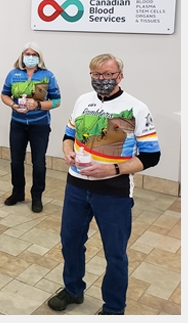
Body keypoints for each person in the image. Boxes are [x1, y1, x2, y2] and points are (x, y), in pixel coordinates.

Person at [47, 53, 161, 315]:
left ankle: (113, 308)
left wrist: (113, 169)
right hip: (76, 186)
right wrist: (68, 151)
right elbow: (68, 135)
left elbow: (151, 156)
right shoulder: (82, 101)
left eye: (109, 75)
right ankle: (73, 289)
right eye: (97, 75)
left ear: (120, 76)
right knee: (70, 242)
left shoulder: (136, 108)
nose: (102, 80)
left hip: (114, 193)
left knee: (115, 254)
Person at [0, 42, 61, 213]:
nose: (30, 57)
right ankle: (17, 192)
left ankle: (37, 197)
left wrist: (38, 105)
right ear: (22, 56)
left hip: (40, 125)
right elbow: (4, 94)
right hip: (18, 124)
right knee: (16, 161)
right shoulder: (13, 74)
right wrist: (13, 105)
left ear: (39, 58)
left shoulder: (48, 76)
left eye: (34, 54)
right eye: (27, 54)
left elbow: (56, 101)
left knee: (39, 162)